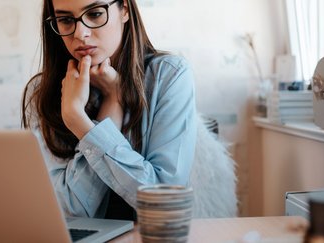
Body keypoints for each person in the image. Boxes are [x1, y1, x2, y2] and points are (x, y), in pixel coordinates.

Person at [22, 0, 197, 220]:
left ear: (124, 9)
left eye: (95, 14)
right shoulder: (41, 92)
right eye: (66, 20)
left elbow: (164, 203)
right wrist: (112, 106)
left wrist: (80, 123)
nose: (81, 34)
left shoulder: (169, 76)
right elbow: (67, 210)